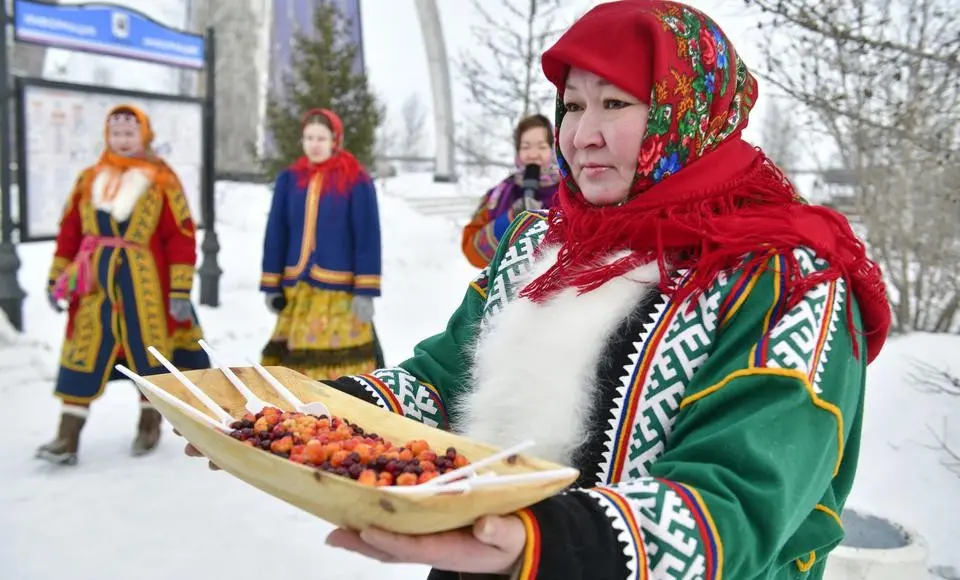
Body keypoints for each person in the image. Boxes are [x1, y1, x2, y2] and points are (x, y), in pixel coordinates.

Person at [189, 1, 892, 578]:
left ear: (687, 114)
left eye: (614, 103)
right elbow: (445, 379)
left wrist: (541, 541)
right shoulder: (543, 244)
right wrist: (311, 417)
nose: (580, 135)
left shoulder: (785, 274)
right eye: (571, 105)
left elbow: (740, 495)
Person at [39, 104, 209, 466]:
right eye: (116, 134)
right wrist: (58, 276)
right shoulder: (89, 179)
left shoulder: (162, 180)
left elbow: (180, 236)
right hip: (93, 287)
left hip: (145, 286)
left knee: (148, 355)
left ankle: (149, 423)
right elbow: (70, 231)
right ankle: (66, 437)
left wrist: (180, 290)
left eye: (130, 134)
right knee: (81, 353)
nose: (123, 140)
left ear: (145, 136)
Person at [259, 108, 383, 381]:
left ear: (334, 140)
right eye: (309, 138)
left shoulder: (356, 180)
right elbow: (276, 233)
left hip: (340, 292)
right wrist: (271, 283)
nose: (314, 145)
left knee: (343, 365)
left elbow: (367, 237)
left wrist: (366, 290)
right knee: (295, 363)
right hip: (298, 290)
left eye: (321, 138)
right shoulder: (289, 180)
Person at [461, 113, 561, 268]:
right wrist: (509, 219)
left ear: (552, 149)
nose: (533, 154)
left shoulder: (568, 192)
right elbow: (471, 251)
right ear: (517, 151)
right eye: (526, 146)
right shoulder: (499, 194)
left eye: (541, 146)